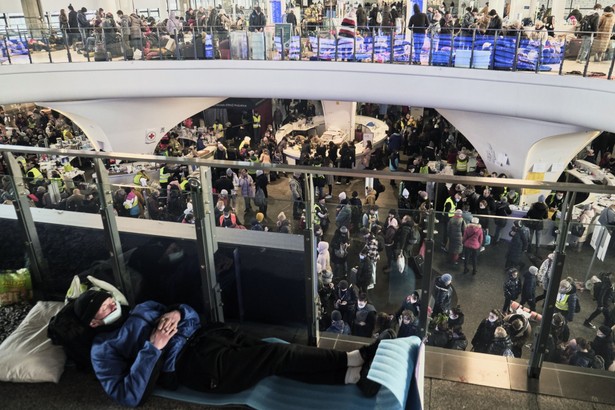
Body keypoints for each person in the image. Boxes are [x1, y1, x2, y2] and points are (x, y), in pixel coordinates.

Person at [67, 290, 381, 407]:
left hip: (211, 336)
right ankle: (354, 359)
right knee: (278, 355)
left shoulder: (140, 307)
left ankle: (351, 376)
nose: (109, 303)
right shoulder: (102, 349)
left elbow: (188, 312)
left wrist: (177, 312)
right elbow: (126, 395)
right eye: (101, 307)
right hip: (197, 366)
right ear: (93, 323)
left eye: (106, 298)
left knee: (277, 354)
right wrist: (154, 347)